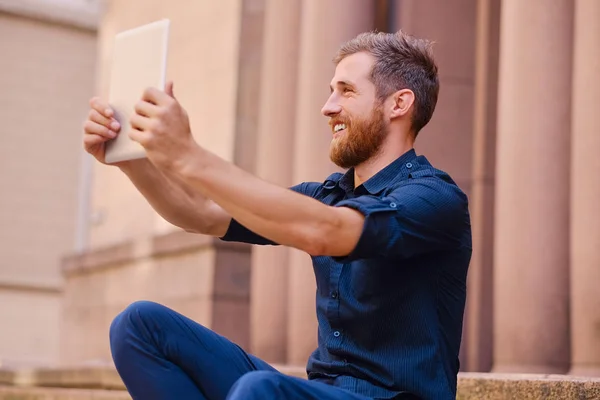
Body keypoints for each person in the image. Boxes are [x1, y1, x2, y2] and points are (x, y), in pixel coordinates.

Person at [82, 30, 471, 400]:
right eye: (330, 91)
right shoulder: (327, 195)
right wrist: (131, 160)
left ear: (398, 104)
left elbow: (328, 231)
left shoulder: (434, 198)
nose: (328, 107)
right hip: (322, 390)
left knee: (260, 392)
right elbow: (200, 213)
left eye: (346, 91)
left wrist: (189, 155)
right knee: (139, 326)